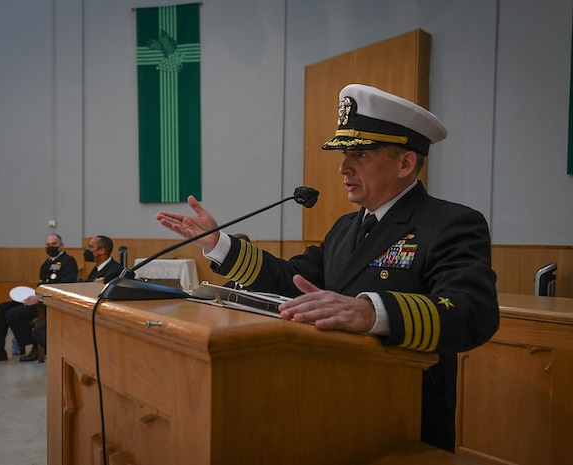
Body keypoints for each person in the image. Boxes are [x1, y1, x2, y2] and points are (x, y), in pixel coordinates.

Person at [155, 84, 500, 452]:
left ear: (405, 163)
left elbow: (473, 311)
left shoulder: (451, 223)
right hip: (325, 403)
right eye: (344, 153)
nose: (343, 167)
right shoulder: (345, 228)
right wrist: (219, 245)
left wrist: (372, 312)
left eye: (360, 154)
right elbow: (293, 281)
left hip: (401, 418)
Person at [0, 233, 78, 364]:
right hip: (40, 298)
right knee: (1, 308)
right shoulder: (47, 263)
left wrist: (40, 298)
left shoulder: (68, 262)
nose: (50, 247)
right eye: (48, 245)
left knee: (13, 314)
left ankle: (37, 345)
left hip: (51, 303)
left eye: (54, 244)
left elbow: (65, 289)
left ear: (61, 245)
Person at [29, 235, 124, 359]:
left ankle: (70, 357)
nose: (87, 250)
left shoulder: (114, 270)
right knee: (42, 330)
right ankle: (63, 357)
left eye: (91, 247)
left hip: (96, 316)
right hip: (85, 310)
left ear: (102, 250)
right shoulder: (98, 268)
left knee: (44, 331)